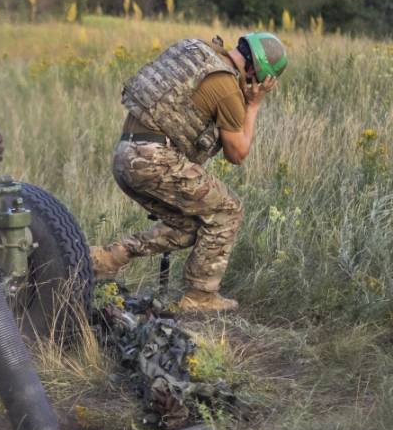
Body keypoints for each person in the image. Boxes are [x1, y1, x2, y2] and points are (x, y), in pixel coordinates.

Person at [91, 32, 288, 311]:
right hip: (154, 159)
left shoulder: (198, 50)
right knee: (229, 209)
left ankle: (107, 259)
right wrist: (253, 105)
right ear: (258, 73)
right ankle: (201, 296)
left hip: (125, 155)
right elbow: (237, 153)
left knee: (188, 227)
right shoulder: (228, 89)